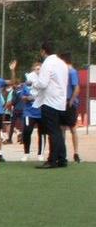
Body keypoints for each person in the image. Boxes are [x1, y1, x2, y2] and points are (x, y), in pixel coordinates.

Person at [29, 41, 69, 169]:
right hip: (60, 101)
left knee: (52, 132)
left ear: (43, 51)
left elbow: (43, 83)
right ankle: (62, 159)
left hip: (50, 101)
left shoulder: (47, 63)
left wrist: (33, 83)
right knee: (57, 131)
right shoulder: (62, 63)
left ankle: (52, 160)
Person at [18, 64, 43, 162]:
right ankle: (26, 153)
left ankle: (40, 153)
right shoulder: (27, 84)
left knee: (42, 133)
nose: (38, 71)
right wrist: (27, 98)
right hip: (29, 112)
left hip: (41, 111)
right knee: (27, 131)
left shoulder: (44, 83)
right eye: (37, 69)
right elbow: (22, 97)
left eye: (40, 69)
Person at [61, 52, 82, 163]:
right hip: (62, 103)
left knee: (72, 128)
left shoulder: (72, 72)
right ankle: (62, 154)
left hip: (69, 103)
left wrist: (71, 101)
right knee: (62, 129)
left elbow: (76, 88)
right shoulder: (63, 72)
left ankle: (76, 153)